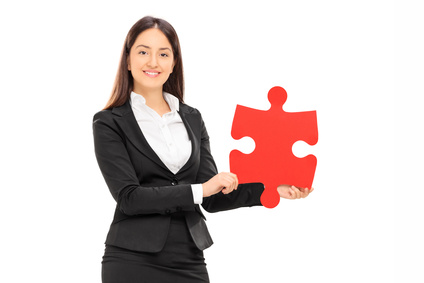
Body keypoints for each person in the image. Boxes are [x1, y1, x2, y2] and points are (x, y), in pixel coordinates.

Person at [93, 16, 313, 283]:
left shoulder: (192, 118)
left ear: (174, 63)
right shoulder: (109, 122)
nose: (153, 62)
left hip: (189, 257)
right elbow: (129, 197)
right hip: (131, 259)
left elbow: (212, 197)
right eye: (143, 52)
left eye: (163, 53)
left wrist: (271, 189)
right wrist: (201, 189)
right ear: (128, 61)